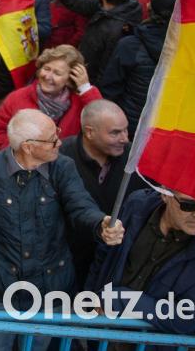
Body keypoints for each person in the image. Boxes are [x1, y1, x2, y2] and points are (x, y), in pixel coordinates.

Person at [0, 109, 124, 350]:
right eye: (52, 139)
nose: (59, 141)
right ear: (28, 147)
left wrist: (101, 223)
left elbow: (80, 205)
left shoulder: (63, 167)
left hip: (50, 291)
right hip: (0, 290)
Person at [86, 188, 195, 335]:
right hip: (99, 330)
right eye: (188, 205)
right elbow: (103, 257)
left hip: (155, 341)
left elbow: (187, 317)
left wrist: (118, 300)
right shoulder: (137, 205)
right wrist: (89, 301)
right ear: (165, 194)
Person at [59, 100, 147, 285]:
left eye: (126, 130)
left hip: (115, 264)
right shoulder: (60, 158)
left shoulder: (137, 159)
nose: (124, 138)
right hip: (67, 262)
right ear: (89, 132)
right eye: (115, 132)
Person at [99, 0, 179, 136]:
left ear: (149, 7)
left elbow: (110, 90)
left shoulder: (130, 45)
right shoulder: (187, 49)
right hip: (166, 129)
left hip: (129, 128)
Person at [0, 45, 102, 148]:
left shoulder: (79, 103)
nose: (48, 76)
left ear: (70, 79)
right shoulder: (18, 97)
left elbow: (100, 122)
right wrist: (18, 153)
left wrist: (86, 88)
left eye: (57, 73)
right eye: (46, 69)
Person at [48, 0, 144, 85]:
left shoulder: (116, 30)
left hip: (90, 84)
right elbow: (78, 2)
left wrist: (87, 88)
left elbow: (106, 70)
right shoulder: (111, 7)